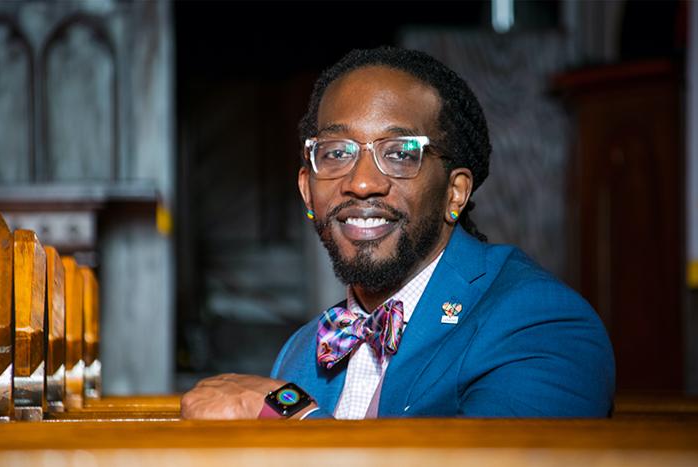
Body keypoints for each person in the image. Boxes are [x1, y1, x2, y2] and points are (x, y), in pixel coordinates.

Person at [180, 46, 615, 420]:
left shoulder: (541, 323)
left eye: (401, 153)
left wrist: (286, 410)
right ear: (307, 191)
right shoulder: (302, 350)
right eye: (335, 152)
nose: (362, 182)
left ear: (455, 192)